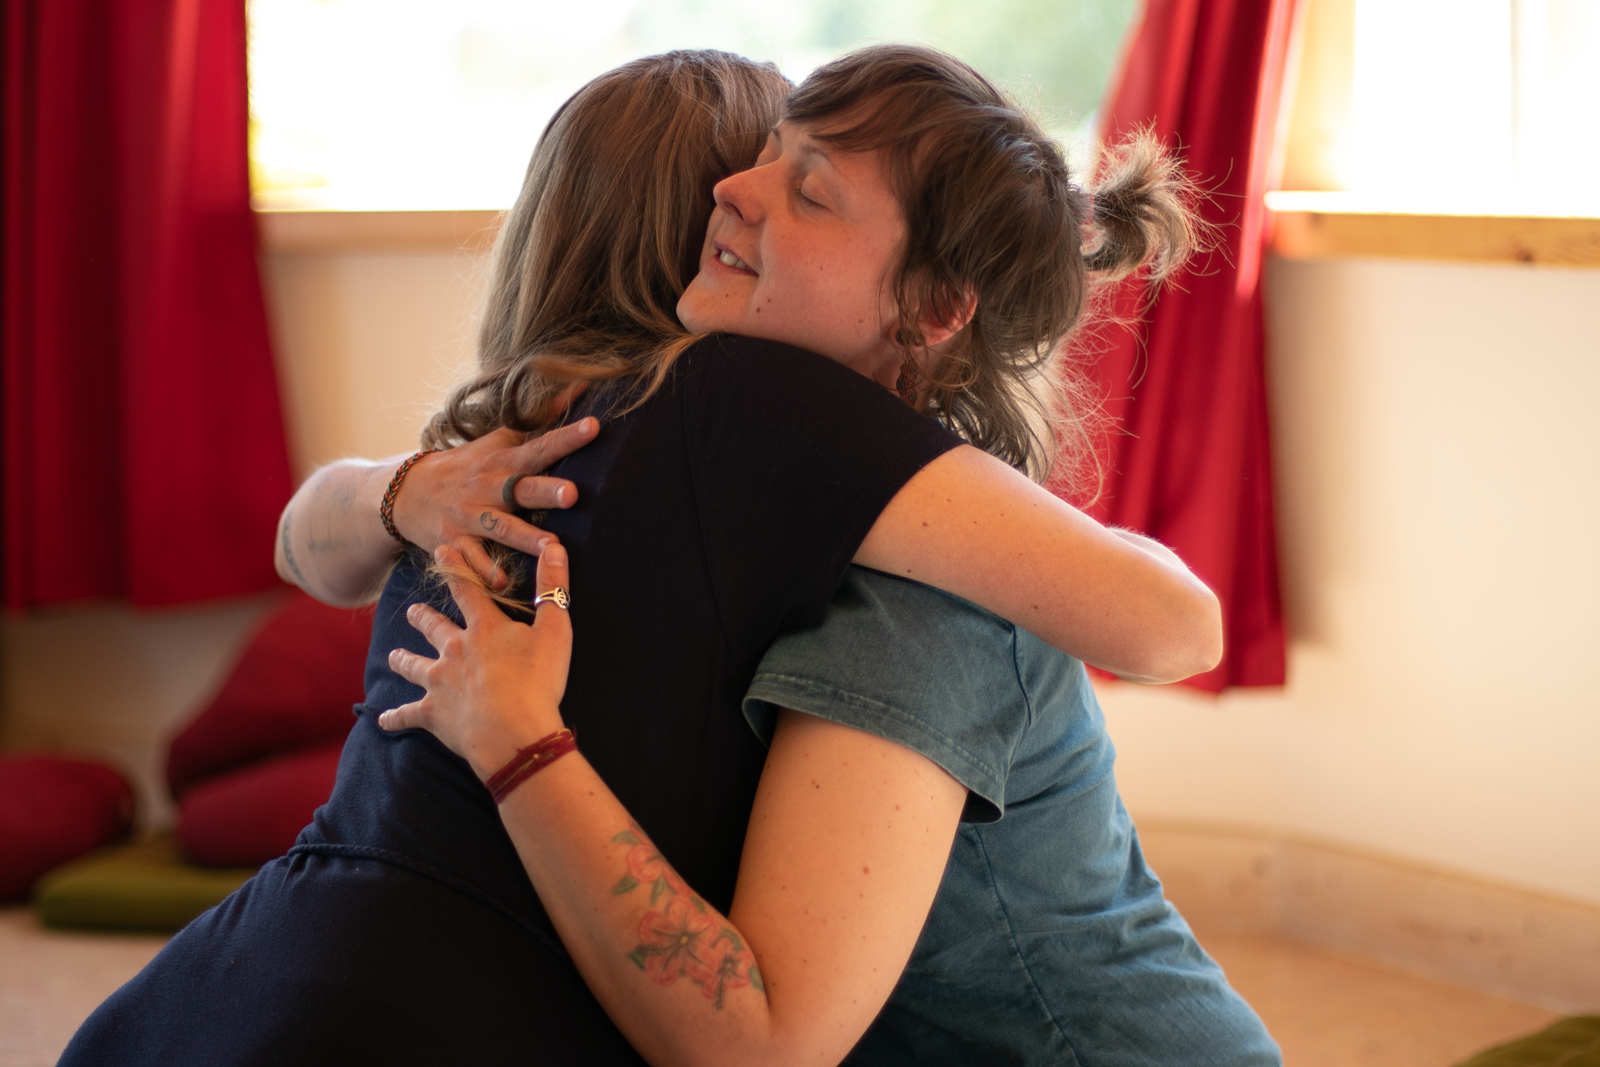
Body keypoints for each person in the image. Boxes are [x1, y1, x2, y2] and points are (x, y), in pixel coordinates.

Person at [60, 47, 1231, 1067]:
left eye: (808, 189)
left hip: (226, 976)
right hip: (395, 987)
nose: (741, 191)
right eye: (763, 158)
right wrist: (407, 497)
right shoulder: (666, 419)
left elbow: (304, 541)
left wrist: (410, 511)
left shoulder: (583, 426)